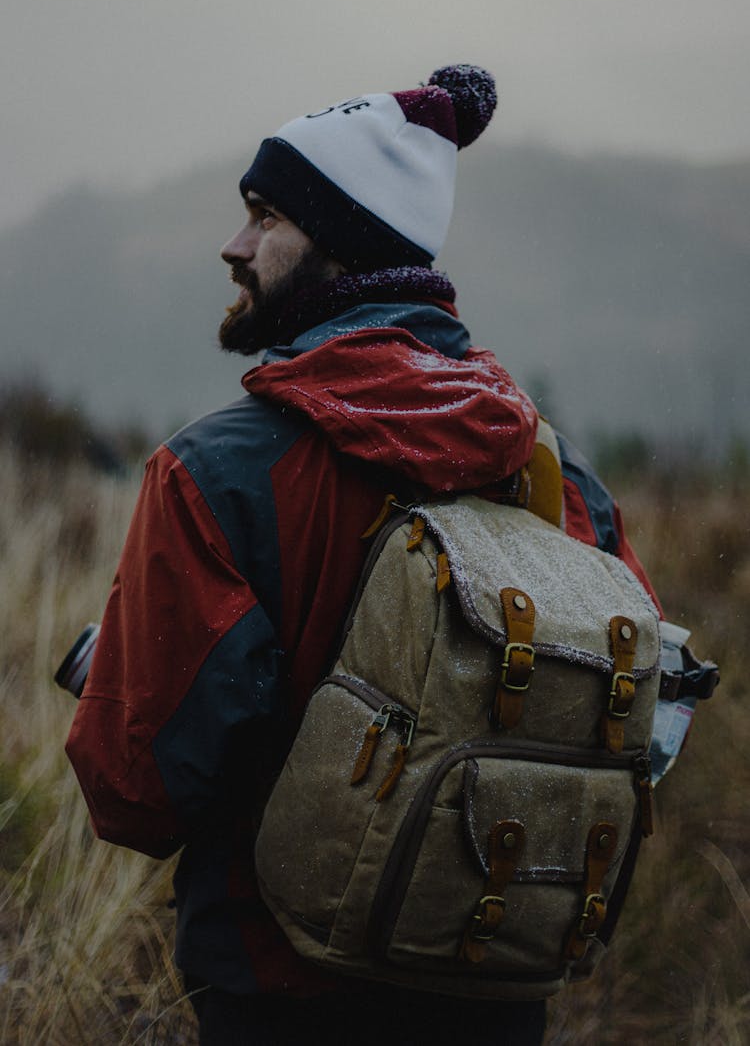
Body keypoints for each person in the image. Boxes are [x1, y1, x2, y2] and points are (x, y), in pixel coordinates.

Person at [65, 65, 660, 1045]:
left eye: (265, 217)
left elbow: (139, 793)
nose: (235, 244)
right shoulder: (565, 486)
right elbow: (642, 728)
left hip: (278, 992)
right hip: (493, 978)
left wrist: (112, 684)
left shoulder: (208, 476)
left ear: (341, 244)